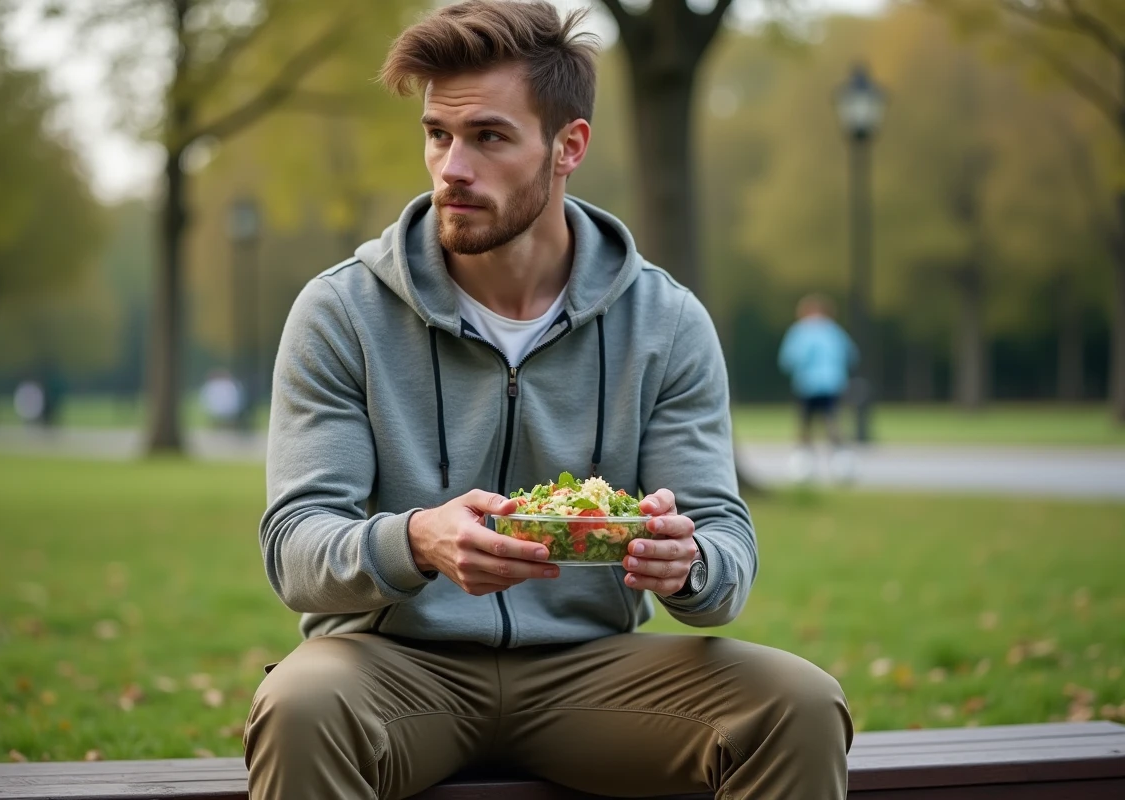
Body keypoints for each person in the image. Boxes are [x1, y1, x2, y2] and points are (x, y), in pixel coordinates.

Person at [245, 3, 852, 799]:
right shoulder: (342, 313)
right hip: (390, 669)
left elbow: (726, 550)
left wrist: (686, 561)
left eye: (488, 137)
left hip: (591, 672)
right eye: (437, 134)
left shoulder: (665, 323)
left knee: (798, 704)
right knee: (298, 704)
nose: (451, 167)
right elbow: (296, 549)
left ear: (569, 147)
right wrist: (419, 540)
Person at [777, 294, 859, 483]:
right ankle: (842, 463)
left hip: (807, 384)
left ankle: (804, 465)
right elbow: (851, 355)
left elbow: (789, 360)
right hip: (833, 383)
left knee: (805, 424)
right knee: (832, 421)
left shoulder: (800, 331)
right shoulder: (834, 331)